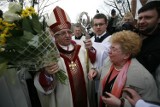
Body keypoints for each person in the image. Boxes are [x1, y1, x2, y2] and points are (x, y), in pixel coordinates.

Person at [34, 6, 96, 107]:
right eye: (62, 33)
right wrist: (47, 74)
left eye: (69, 32)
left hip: (84, 98)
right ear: (55, 36)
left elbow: (92, 63)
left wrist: (93, 69)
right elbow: (43, 85)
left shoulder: (81, 49)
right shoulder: (50, 55)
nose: (67, 35)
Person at [88, 30, 160, 107]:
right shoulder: (110, 60)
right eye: (110, 47)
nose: (109, 52)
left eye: (114, 49)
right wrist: (96, 72)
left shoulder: (143, 77)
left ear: (126, 55)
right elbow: (103, 70)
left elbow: (150, 104)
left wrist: (121, 104)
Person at [136, 1, 160, 79]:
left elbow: (144, 68)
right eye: (140, 18)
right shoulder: (134, 35)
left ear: (158, 19)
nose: (142, 21)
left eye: (148, 17)